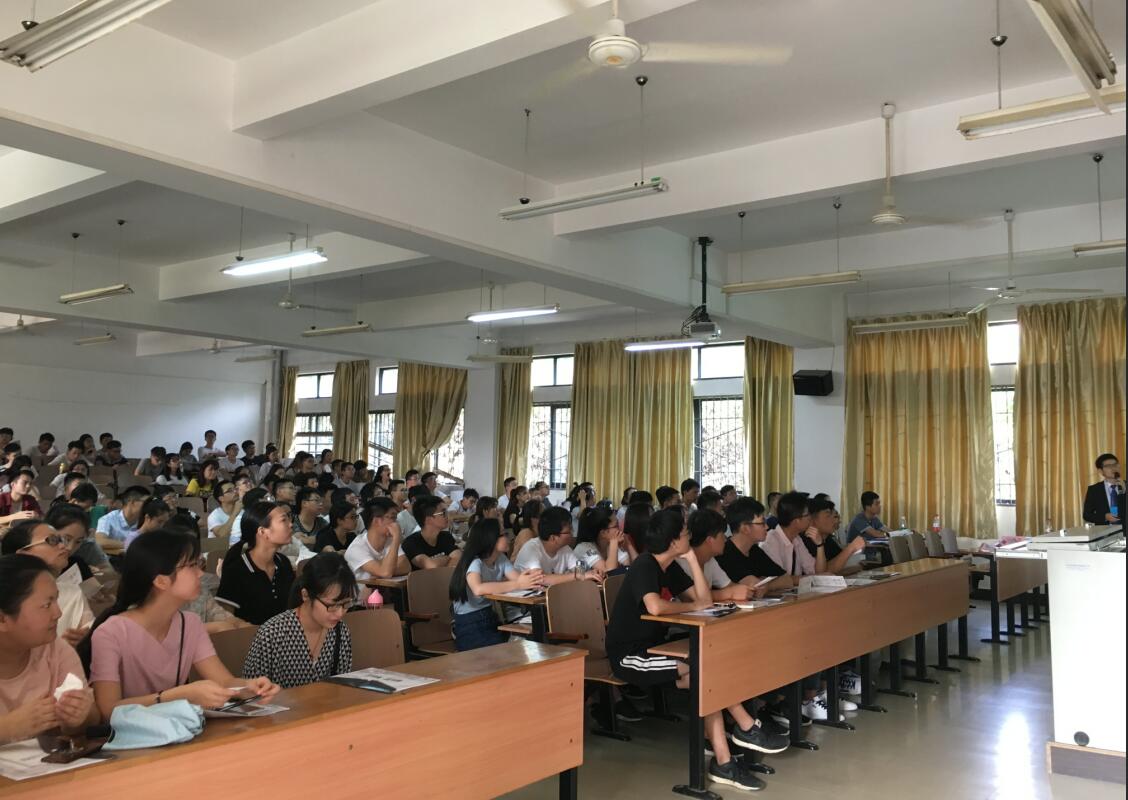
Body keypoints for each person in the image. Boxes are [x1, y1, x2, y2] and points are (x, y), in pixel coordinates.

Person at [605, 508, 788, 792]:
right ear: (673, 541)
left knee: (708, 676)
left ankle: (726, 759)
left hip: (656, 649)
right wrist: (692, 605)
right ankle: (746, 729)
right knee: (705, 675)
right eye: (685, 534)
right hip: (631, 657)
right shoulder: (645, 564)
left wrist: (691, 558)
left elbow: (703, 600)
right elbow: (656, 606)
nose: (690, 537)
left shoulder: (670, 566)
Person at [83, 529, 279, 719]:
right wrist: (179, 695)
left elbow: (224, 681)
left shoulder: (190, 624)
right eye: (192, 566)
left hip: (177, 731)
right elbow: (108, 710)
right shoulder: (112, 632)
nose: (200, 573)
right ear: (161, 581)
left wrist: (249, 688)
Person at [0, 554, 98, 744]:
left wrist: (78, 717)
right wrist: (8, 728)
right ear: (2, 619)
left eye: (56, 600)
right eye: (46, 605)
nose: (58, 613)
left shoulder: (55, 650)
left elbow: (92, 717)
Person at [241, 552, 356, 689]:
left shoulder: (340, 631)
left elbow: (342, 688)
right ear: (306, 595)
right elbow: (250, 693)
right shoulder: (272, 634)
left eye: (346, 604)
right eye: (332, 605)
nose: (340, 613)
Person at [448, 519, 542, 651]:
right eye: (503, 534)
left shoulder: (500, 558)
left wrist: (532, 577)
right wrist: (518, 584)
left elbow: (517, 579)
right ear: (490, 539)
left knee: (526, 642)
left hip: (490, 617)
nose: (508, 538)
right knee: (509, 650)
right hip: (469, 624)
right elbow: (478, 589)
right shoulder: (475, 562)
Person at [1, 521, 95, 646]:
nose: (64, 546)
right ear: (23, 554)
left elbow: (88, 630)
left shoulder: (72, 592)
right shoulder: (5, 596)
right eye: (52, 541)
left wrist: (86, 639)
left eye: (62, 540)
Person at [216, 501, 295, 625]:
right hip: (249, 635)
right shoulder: (237, 569)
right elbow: (227, 619)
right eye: (283, 520)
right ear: (262, 532)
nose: (291, 524)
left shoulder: (283, 562)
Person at [716, 498, 795, 593]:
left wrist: (767, 586)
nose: (767, 527)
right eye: (762, 523)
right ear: (745, 528)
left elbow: (787, 580)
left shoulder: (754, 550)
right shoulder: (725, 554)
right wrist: (765, 583)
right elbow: (753, 585)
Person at [676, 510, 755, 601]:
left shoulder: (710, 560)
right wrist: (730, 593)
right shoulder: (680, 561)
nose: (725, 539)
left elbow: (729, 586)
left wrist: (747, 590)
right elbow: (693, 597)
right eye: (722, 535)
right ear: (710, 540)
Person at [513, 507, 602, 585]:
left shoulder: (565, 548)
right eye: (569, 531)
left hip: (551, 595)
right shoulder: (531, 549)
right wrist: (577, 575)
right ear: (553, 538)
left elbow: (580, 571)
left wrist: (592, 573)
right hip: (523, 597)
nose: (572, 533)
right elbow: (541, 579)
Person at [345, 498, 410, 582]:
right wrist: (397, 537)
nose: (396, 523)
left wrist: (382, 571)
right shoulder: (356, 548)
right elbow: (385, 573)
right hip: (363, 590)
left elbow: (406, 567)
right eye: (393, 518)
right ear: (376, 521)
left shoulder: (389, 540)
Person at [801, 497, 865, 573]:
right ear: (812, 520)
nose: (835, 521)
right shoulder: (804, 541)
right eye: (828, 516)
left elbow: (839, 564)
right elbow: (823, 573)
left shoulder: (828, 539)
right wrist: (851, 548)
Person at [574, 506, 636, 572]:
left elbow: (635, 566)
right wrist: (614, 542)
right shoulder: (583, 548)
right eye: (616, 525)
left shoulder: (611, 544)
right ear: (603, 533)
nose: (620, 529)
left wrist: (628, 544)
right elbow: (609, 573)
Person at [404, 495, 460, 569]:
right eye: (443, 513)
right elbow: (432, 566)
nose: (448, 515)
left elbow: (458, 558)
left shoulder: (446, 536)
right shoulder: (411, 543)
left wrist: (441, 564)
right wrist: (447, 558)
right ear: (428, 519)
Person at [1083, 453, 1125, 525]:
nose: (1113, 468)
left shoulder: (1125, 486)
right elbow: (1087, 515)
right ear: (1100, 471)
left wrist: (1125, 491)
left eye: (1115, 464)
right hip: (1105, 530)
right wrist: (1104, 517)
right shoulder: (1094, 490)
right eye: (1108, 466)